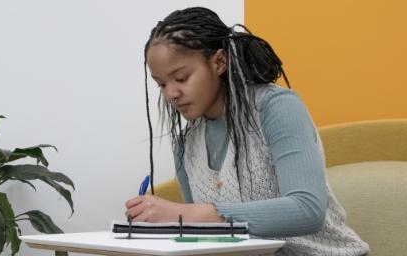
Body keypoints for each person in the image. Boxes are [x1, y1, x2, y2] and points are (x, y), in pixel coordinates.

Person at [124, 7, 369, 255]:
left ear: (219, 61)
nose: (170, 94)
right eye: (161, 84)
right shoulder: (186, 143)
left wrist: (185, 214)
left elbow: (307, 209)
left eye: (182, 78)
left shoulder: (276, 108)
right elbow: (206, 235)